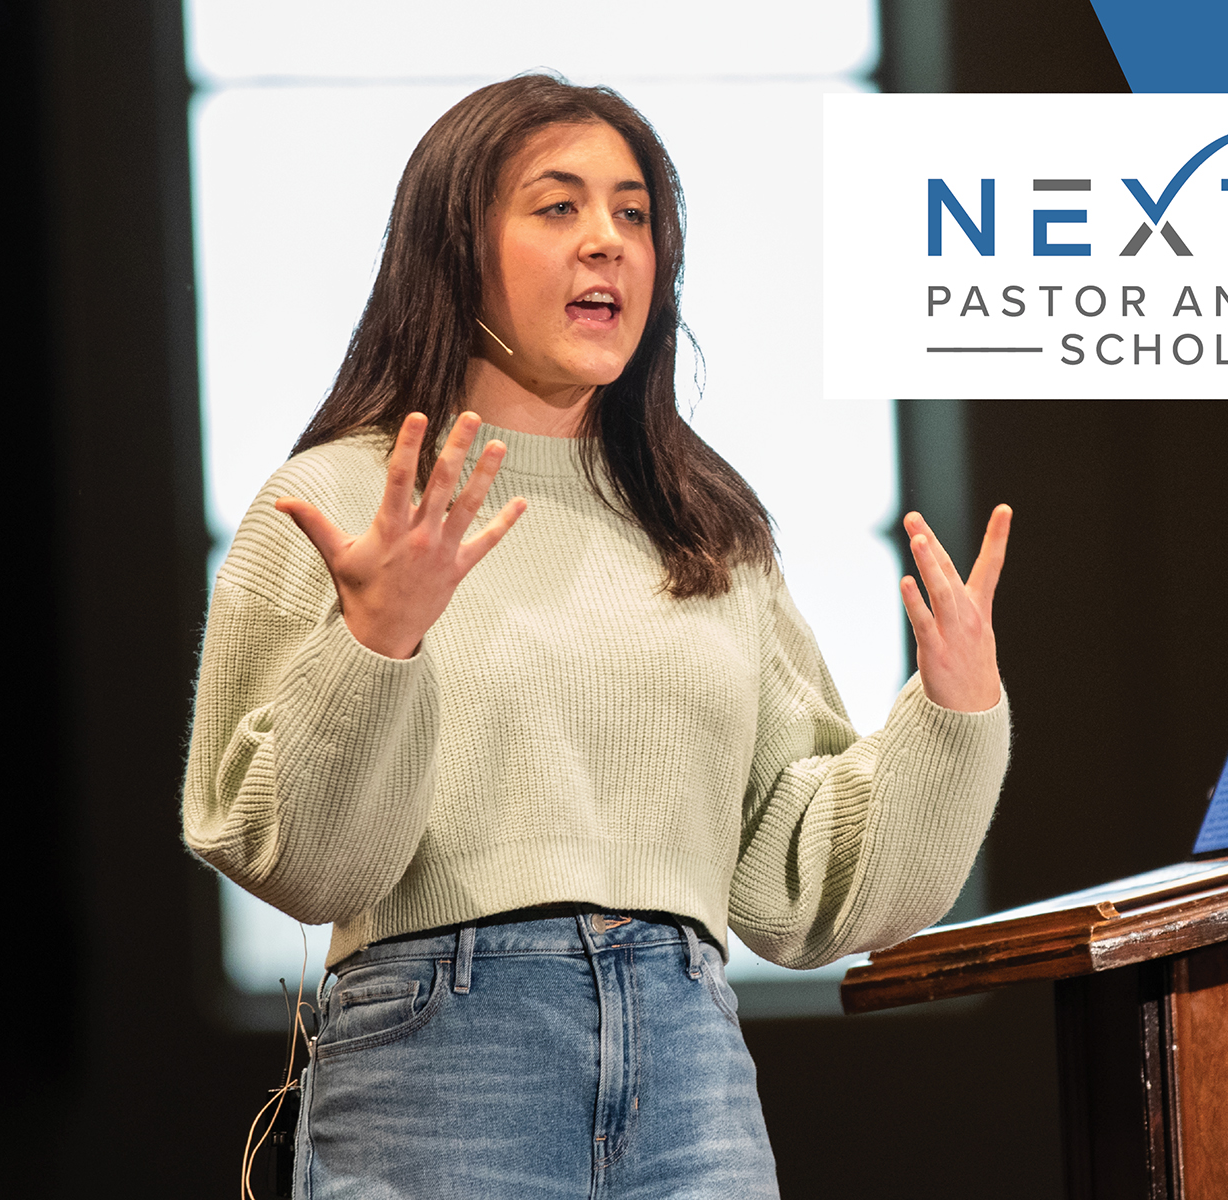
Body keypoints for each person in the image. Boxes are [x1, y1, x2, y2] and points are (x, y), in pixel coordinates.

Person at [183, 74, 1013, 1199]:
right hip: (447, 1053)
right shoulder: (343, 499)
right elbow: (303, 861)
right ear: (455, 244)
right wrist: (378, 640)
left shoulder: (701, 522)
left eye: (634, 214)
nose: (608, 244)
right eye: (559, 206)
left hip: (690, 1059)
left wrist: (954, 717)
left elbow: (802, 882)